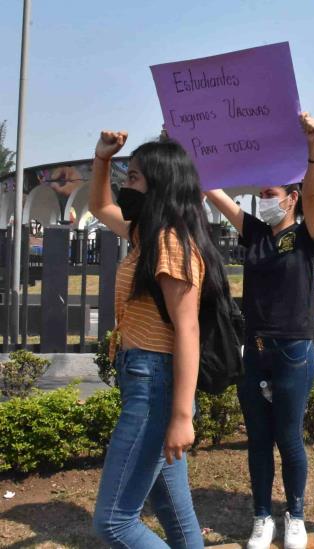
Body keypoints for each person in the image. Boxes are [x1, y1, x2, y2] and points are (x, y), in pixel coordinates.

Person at [90, 130, 228, 548]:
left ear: (159, 184)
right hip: (146, 379)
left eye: (132, 178)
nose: (124, 186)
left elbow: (188, 329)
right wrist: (101, 160)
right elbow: (99, 206)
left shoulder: (170, 241)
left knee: (114, 522)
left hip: (155, 385)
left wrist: (182, 417)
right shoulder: (146, 233)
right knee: (172, 508)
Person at [204, 112, 314, 549]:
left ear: (290, 199)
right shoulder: (255, 234)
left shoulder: (307, 234)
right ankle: (261, 517)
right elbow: (216, 196)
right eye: (259, 195)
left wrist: (312, 146)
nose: (262, 201)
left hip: (293, 349)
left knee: (288, 437)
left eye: (270, 194)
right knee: (257, 439)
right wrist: (194, 154)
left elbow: (311, 188)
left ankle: (295, 515)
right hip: (253, 350)